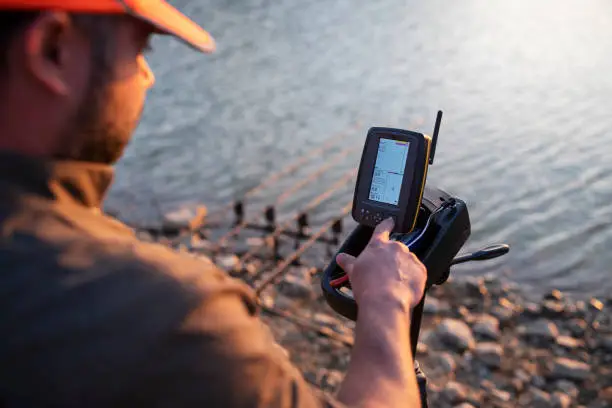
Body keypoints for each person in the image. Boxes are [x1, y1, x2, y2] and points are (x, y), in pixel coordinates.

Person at [0, 1, 428, 407]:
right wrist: (386, 301)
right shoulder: (167, 313)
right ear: (52, 49)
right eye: (140, 49)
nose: (147, 77)